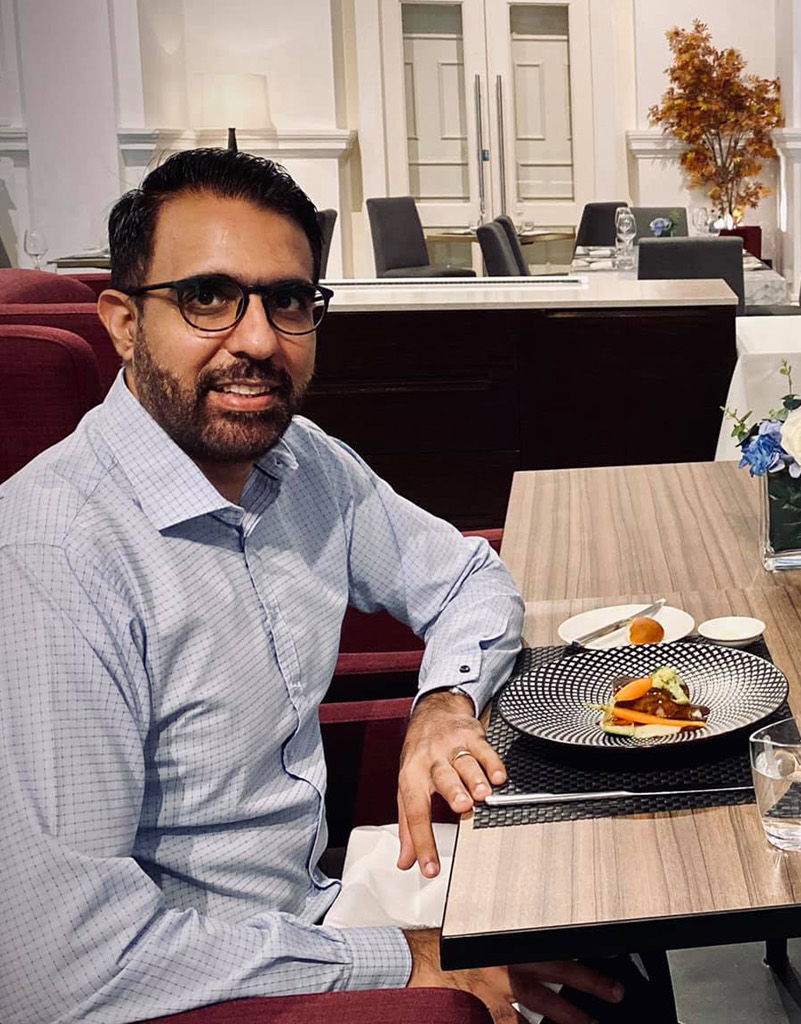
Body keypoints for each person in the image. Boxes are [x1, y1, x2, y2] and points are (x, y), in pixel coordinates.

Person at [0, 149, 634, 1024]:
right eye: (207, 297)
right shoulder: (54, 555)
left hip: (313, 893)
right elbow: (59, 960)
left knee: (611, 937)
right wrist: (407, 963)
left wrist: (444, 703)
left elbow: (468, 578)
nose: (258, 340)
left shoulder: (302, 465)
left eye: (288, 301)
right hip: (195, 982)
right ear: (121, 321)